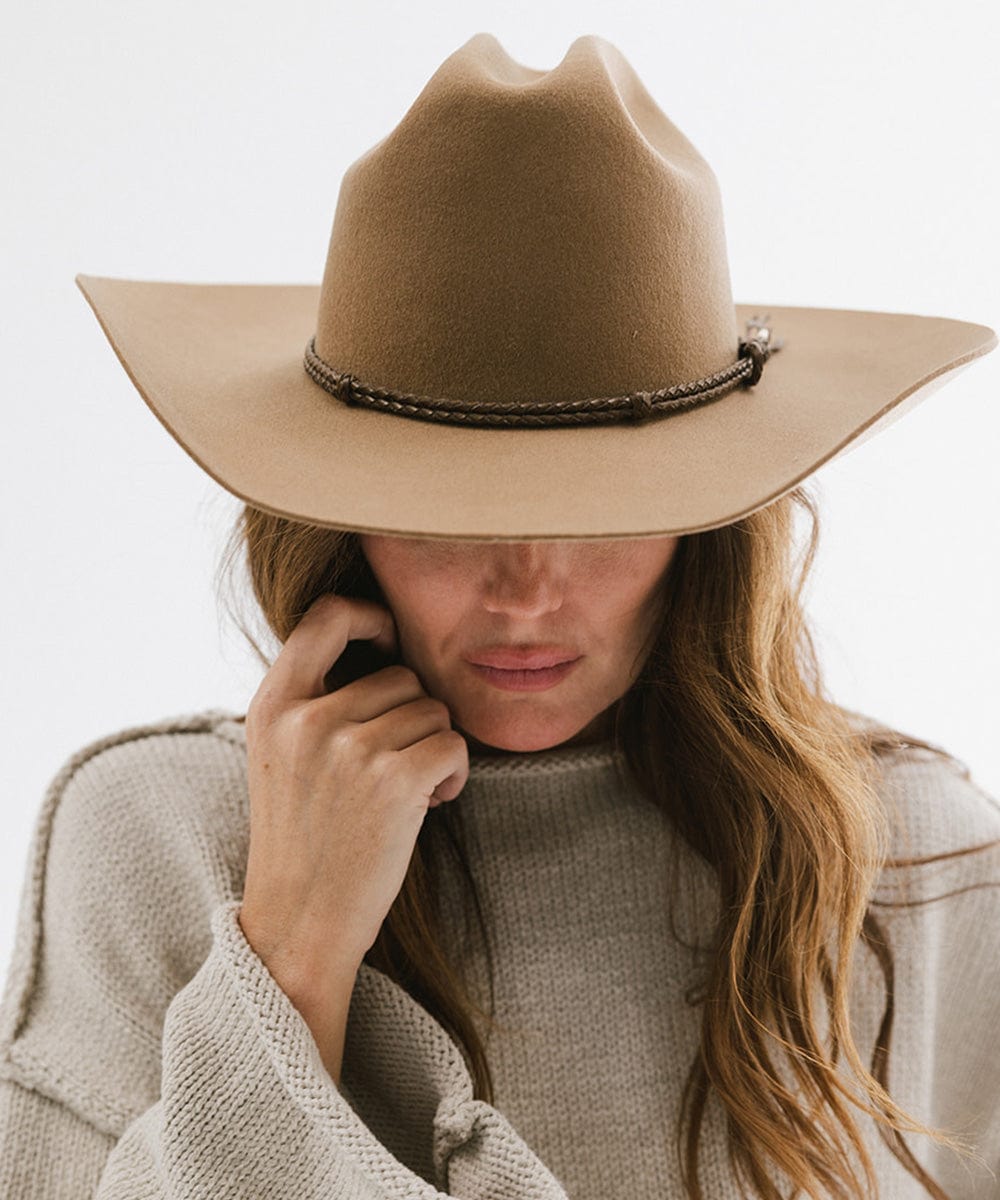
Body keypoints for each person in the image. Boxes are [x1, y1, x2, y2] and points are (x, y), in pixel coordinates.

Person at [1, 30, 998, 1200]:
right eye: (442, 515)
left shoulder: (905, 854)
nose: (526, 593)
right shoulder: (160, 837)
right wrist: (288, 956)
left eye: (608, 514)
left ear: (710, 528)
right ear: (338, 519)